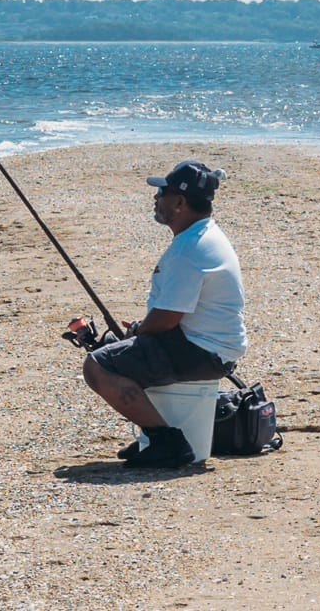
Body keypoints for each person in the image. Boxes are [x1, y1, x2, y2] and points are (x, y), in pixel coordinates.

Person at [81, 159, 247, 468]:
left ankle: (166, 441)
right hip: (210, 346)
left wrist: (138, 332)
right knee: (114, 348)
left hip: (202, 351)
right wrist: (140, 331)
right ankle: (153, 435)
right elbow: (171, 316)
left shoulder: (190, 249)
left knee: (97, 365)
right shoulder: (204, 236)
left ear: (180, 202)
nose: (156, 198)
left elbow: (167, 320)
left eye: (162, 193)